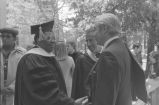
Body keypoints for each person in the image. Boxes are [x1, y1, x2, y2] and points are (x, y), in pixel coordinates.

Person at [14, 20, 88, 105]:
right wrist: (72, 103)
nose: (53, 41)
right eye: (48, 38)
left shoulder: (45, 57)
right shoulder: (33, 59)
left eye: (53, 38)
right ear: (38, 39)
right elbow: (47, 93)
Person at [86, 13, 147, 105]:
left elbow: (105, 99)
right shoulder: (122, 47)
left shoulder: (109, 54)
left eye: (96, 29)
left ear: (105, 29)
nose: (94, 34)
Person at [71, 25, 103, 99]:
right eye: (87, 41)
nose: (88, 44)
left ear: (98, 39)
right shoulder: (81, 60)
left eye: (91, 40)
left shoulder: (106, 58)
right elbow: (75, 86)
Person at [0, 28, 26, 105]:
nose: (4, 38)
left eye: (8, 36)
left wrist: (12, 87)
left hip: (14, 93)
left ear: (14, 38)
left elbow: (24, 73)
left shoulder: (22, 53)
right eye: (2, 36)